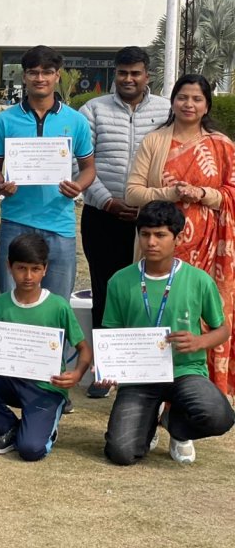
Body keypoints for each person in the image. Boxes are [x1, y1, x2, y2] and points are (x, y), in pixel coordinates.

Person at [126, 74, 235, 401]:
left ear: (206, 105)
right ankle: (153, 392)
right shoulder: (155, 141)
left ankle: (203, 390)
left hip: (210, 245)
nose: (189, 104)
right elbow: (132, 193)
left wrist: (203, 194)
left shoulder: (222, 145)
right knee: (160, 311)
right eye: (182, 97)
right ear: (172, 102)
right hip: (161, 244)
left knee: (204, 313)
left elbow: (232, 192)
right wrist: (170, 192)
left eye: (197, 99)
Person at [102, 201, 235, 465]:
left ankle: (175, 425)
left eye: (160, 235)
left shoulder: (199, 280)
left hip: (185, 371)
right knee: (121, 453)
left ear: (178, 237)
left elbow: (223, 329)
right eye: (145, 234)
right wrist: (108, 368)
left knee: (219, 416)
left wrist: (199, 341)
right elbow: (110, 333)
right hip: (139, 376)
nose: (151, 242)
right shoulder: (120, 280)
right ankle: (146, 421)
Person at [78, 46, 169, 399]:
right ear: (114, 74)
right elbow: (80, 163)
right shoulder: (94, 110)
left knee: (149, 291)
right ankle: (106, 370)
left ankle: (144, 369)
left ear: (148, 75)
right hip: (103, 216)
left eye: (136, 73)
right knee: (106, 290)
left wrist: (148, 203)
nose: (128, 79)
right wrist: (109, 202)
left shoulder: (165, 110)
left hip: (150, 219)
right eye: (122, 73)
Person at [0, 234, 91, 461]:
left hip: (46, 388)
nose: (28, 276)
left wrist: (77, 374)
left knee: (30, 450)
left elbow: (84, 349)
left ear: (45, 269)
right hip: (9, 380)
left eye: (35, 269)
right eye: (21, 268)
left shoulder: (58, 306)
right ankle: (7, 426)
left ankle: (44, 427)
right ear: (9, 266)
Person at [0, 45, 95, 302]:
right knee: (12, 302)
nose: (40, 78)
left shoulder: (75, 120)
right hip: (15, 222)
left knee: (57, 306)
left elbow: (89, 168)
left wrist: (78, 186)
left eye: (47, 72)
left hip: (59, 225)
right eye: (33, 72)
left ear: (57, 75)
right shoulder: (5, 120)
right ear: (24, 76)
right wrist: (1, 184)